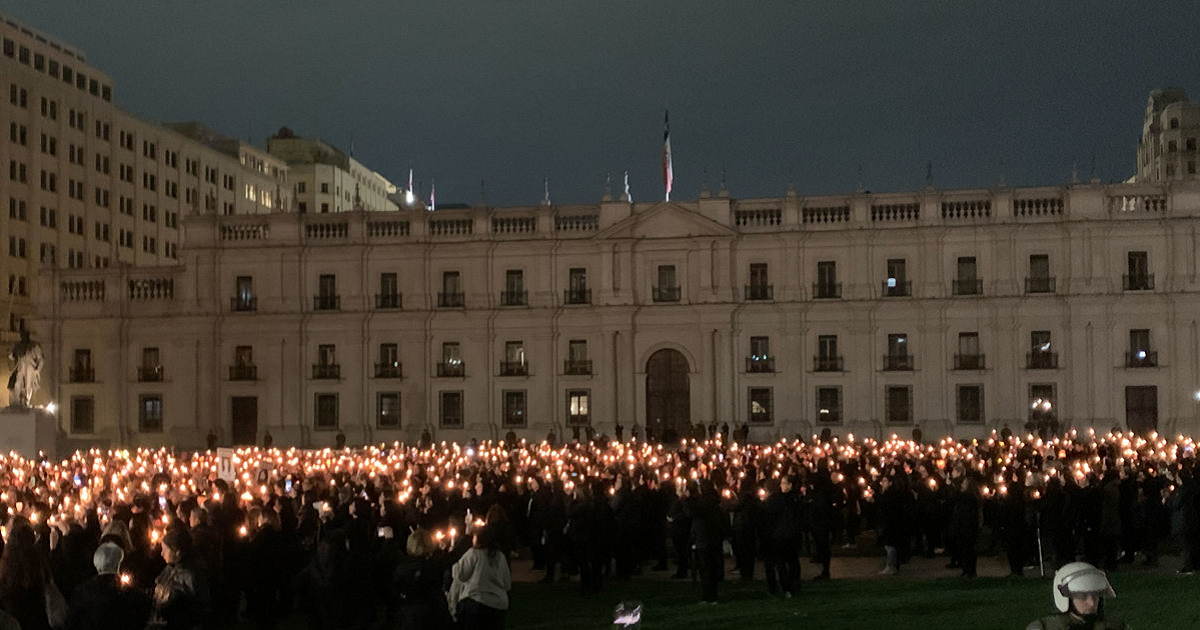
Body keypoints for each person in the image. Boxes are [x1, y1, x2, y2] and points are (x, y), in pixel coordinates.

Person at [65, 542, 151, 630]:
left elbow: (71, 623)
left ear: (96, 564)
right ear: (119, 564)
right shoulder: (135, 595)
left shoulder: (82, 593)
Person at [1025, 562, 1128, 630]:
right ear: (1066, 598)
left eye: (1095, 595)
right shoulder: (1042, 628)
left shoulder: (1115, 627)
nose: (1091, 603)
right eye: (1083, 596)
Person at [449, 525, 511, 630]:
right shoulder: (500, 556)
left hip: (477, 604)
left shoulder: (474, 554)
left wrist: (453, 559)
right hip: (498, 605)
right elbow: (507, 583)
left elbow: (460, 574)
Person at [147, 528, 210, 630]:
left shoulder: (191, 575)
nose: (162, 554)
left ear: (177, 552)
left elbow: (200, 609)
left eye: (165, 550)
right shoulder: (169, 568)